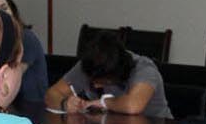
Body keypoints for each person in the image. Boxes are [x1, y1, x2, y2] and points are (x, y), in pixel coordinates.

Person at [43, 29, 172, 118]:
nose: (96, 86)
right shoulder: (92, 64)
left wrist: (102, 102)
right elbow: (51, 94)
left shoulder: (144, 69)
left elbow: (133, 105)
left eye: (101, 81)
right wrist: (64, 104)